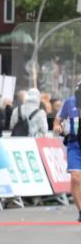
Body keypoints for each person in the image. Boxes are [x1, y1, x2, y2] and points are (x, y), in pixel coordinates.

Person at [55, 83, 81, 222]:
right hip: (74, 143)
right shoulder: (69, 102)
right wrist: (57, 126)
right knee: (76, 177)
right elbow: (58, 119)